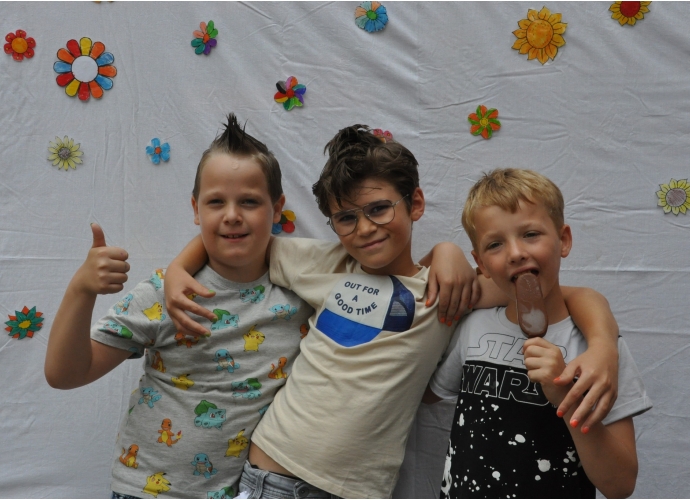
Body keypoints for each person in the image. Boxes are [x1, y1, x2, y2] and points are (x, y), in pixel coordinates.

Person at [163, 126, 622, 499]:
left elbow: (558, 292)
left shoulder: (447, 289)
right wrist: (178, 271)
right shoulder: (324, 263)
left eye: (379, 209)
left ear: (415, 203)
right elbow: (237, 239)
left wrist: (602, 346)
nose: (365, 228)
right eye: (347, 218)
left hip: (359, 491)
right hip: (274, 476)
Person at [44, 114, 313, 499]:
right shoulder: (164, 293)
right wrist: (80, 290)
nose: (232, 215)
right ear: (195, 208)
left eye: (249, 201)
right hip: (148, 491)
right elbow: (65, 374)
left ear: (277, 207)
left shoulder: (303, 290)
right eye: (216, 201)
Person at [425, 168, 652, 499]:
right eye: (495, 244)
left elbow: (620, 485)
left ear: (564, 240)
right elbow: (426, 394)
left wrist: (565, 395)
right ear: (481, 264)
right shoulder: (472, 328)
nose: (516, 253)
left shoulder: (598, 353)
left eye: (531, 234)